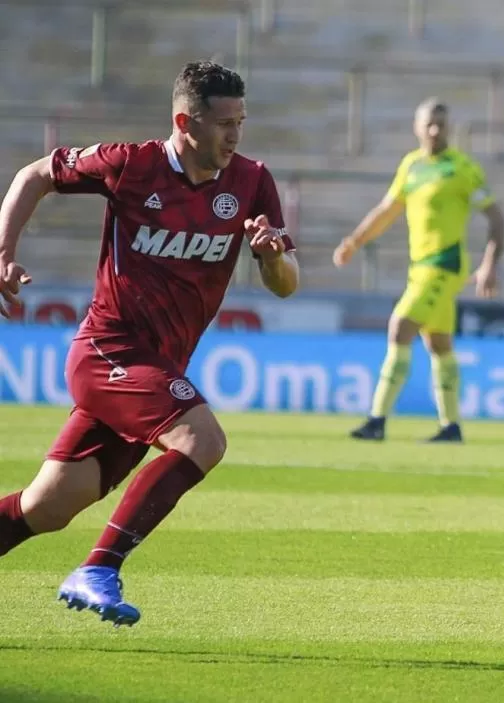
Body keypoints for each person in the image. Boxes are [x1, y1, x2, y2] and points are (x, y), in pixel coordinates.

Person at [0, 61, 299, 626]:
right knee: (202, 439)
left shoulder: (252, 180)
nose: (235, 135)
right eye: (223, 123)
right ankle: (99, 569)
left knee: (46, 506)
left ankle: (87, 563)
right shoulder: (131, 165)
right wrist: (3, 252)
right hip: (107, 351)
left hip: (155, 369)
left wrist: (270, 256)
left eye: (241, 121)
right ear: (185, 121)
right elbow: (35, 174)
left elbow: (286, 286)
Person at [333, 97, 504, 443]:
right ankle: (451, 426)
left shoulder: (462, 169)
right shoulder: (411, 166)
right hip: (420, 267)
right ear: (416, 127)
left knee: (400, 326)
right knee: (438, 343)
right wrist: (355, 240)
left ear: (449, 128)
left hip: (445, 264)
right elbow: (387, 209)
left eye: (441, 124)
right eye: (428, 123)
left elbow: (497, 219)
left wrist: (489, 265)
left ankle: (376, 420)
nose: (434, 130)